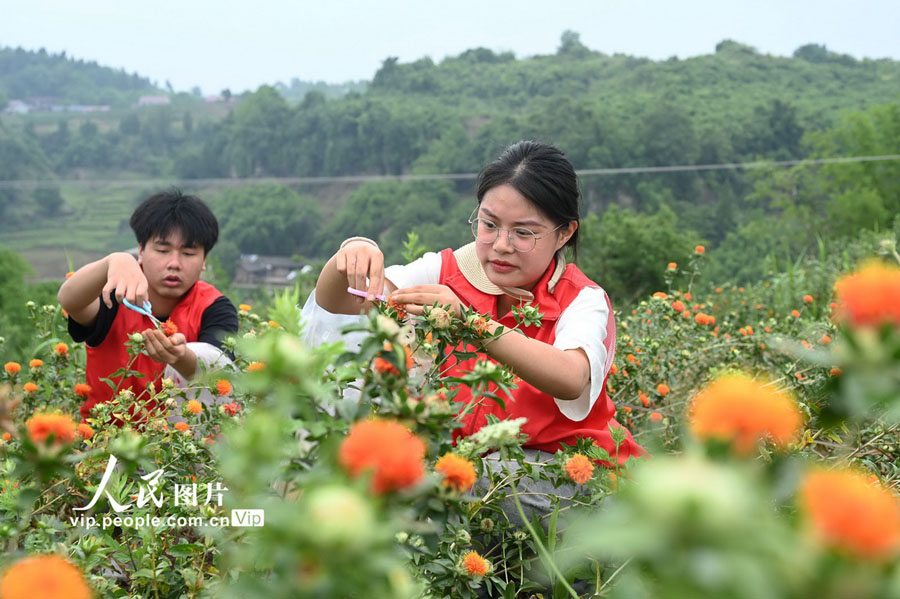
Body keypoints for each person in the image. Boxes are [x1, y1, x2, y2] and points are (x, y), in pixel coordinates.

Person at [310, 140, 642, 465]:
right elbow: (347, 303)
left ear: (565, 233)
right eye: (489, 225)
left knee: (470, 482)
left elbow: (571, 378)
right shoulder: (443, 270)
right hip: (467, 468)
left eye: (523, 233)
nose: (501, 245)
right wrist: (350, 256)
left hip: (564, 473)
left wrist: (470, 323)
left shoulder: (583, 300)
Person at [58, 189, 239, 422]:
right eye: (163, 250)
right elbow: (70, 300)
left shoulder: (215, 307)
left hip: (179, 451)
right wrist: (114, 261)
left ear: (204, 260)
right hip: (105, 446)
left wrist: (180, 357)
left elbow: (218, 371)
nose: (174, 263)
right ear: (141, 250)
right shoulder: (114, 294)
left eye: (188, 252)